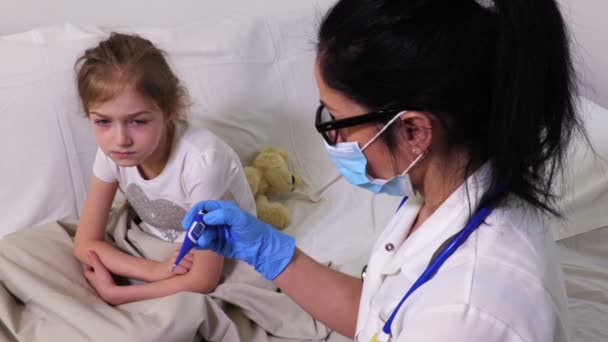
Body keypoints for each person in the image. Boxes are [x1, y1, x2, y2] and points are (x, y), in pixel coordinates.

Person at [182, 0, 586, 341]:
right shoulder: (441, 192)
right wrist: (272, 253)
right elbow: (381, 313)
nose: (334, 143)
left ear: (413, 131)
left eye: (336, 122)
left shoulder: (465, 312)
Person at [73, 32, 256, 306]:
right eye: (103, 122)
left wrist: (118, 295)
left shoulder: (202, 163)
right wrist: (155, 271)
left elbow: (203, 280)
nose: (120, 139)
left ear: (169, 111)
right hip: (157, 250)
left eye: (137, 121)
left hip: (214, 257)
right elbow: (84, 242)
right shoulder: (111, 152)